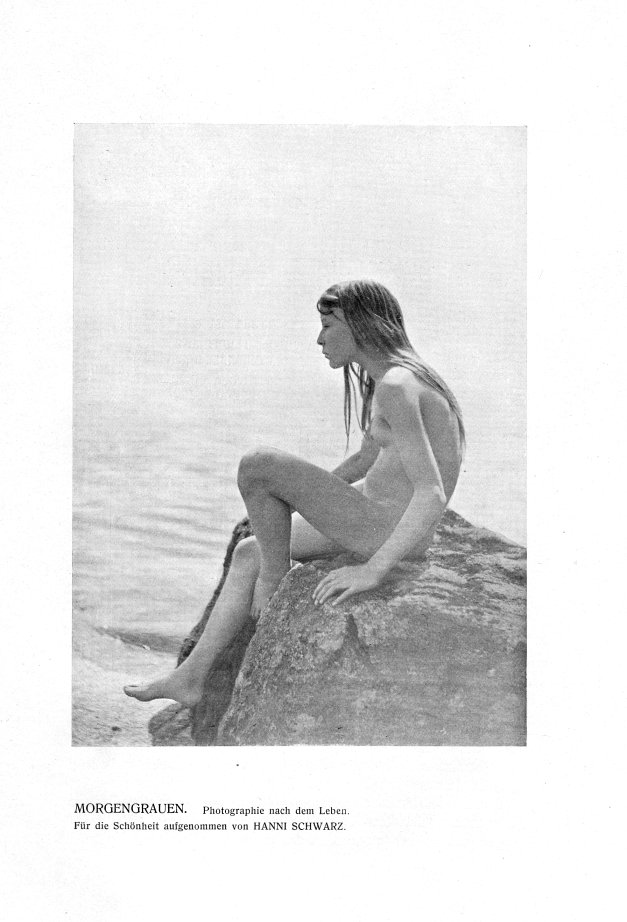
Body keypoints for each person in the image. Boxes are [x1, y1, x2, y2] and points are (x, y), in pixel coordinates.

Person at [124, 280, 464, 706]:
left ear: (360, 325)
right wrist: (301, 496)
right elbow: (366, 459)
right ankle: (189, 679)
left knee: (257, 465)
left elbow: (431, 493)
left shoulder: (397, 386)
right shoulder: (390, 380)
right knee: (250, 550)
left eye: (328, 326)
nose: (320, 339)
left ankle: (274, 577)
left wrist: (373, 570)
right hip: (379, 521)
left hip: (387, 532)